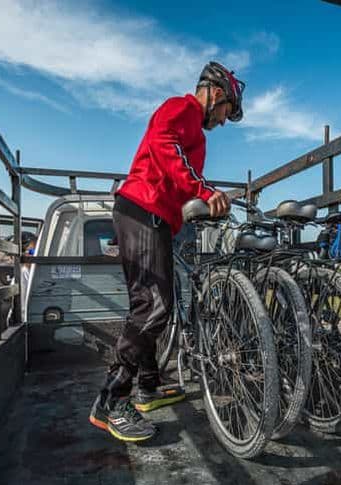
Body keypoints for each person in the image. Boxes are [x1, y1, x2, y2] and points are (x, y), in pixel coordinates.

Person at [89, 61, 245, 442]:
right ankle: (111, 400)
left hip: (157, 218)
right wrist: (205, 191)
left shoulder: (198, 132)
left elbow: (182, 181)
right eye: (227, 112)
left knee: (154, 304)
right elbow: (165, 147)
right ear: (217, 94)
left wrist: (200, 204)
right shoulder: (181, 108)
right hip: (143, 210)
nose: (224, 121)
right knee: (154, 306)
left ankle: (147, 387)